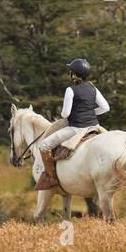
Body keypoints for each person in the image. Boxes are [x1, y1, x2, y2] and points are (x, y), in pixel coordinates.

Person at [36, 58, 110, 190]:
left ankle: (51, 177)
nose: (69, 73)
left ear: (74, 74)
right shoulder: (93, 88)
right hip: (95, 127)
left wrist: (78, 113)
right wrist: (90, 112)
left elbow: (65, 114)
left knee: (43, 146)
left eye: (70, 71)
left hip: (77, 129)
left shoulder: (70, 90)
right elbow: (106, 108)